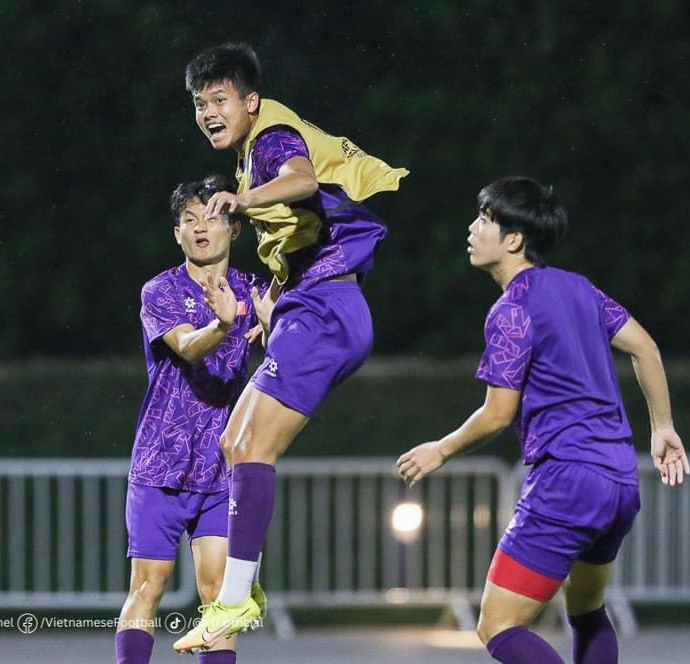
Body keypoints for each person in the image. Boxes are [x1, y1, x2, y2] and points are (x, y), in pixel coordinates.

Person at [173, 43, 409, 653]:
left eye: (219, 99)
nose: (207, 112)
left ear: (250, 101)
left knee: (251, 444)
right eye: (199, 103)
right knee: (234, 442)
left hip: (327, 311)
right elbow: (302, 240)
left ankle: (233, 600)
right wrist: (269, 307)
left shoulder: (271, 138)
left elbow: (300, 179)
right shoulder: (257, 148)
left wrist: (244, 199)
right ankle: (242, 591)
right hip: (313, 306)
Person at [396, 176, 690, 664]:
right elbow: (646, 348)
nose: (472, 228)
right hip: (619, 478)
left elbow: (497, 413)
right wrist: (662, 427)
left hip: (567, 482)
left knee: (497, 625)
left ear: (514, 240)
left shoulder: (512, 310)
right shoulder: (580, 289)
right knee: (587, 610)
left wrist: (440, 449)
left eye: (484, 220)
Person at [115, 175, 269, 664]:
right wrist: (224, 323)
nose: (201, 227)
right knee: (147, 586)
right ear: (177, 233)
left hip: (223, 468)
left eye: (213, 217)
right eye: (189, 219)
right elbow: (185, 346)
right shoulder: (160, 289)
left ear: (234, 229)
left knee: (218, 597)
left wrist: (276, 325)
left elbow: (290, 345)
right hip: (160, 463)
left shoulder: (255, 291)